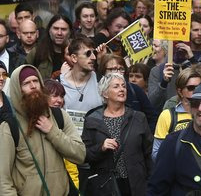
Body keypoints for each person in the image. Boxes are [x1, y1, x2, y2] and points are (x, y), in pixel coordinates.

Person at [0, 65, 86, 195]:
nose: (33, 86)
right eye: (26, 83)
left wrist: (52, 131)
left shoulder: (60, 117)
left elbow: (80, 154)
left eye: (35, 81)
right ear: (18, 90)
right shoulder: (9, 126)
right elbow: (3, 179)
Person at [82, 73, 153, 196]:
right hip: (105, 186)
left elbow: (148, 153)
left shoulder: (138, 117)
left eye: (123, 86)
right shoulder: (92, 120)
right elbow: (84, 154)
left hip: (136, 185)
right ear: (105, 93)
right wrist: (101, 147)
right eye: (116, 86)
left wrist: (151, 183)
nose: (121, 89)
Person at [152, 68, 201, 160]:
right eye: (191, 88)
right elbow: (156, 154)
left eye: (199, 87)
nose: (196, 91)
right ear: (180, 91)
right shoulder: (167, 116)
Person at [98, 54, 157, 131]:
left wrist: (144, 137)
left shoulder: (135, 90)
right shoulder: (96, 90)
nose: (118, 72)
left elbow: (152, 117)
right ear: (104, 71)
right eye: (114, 69)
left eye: (121, 69)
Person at [60, 35, 103, 112]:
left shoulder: (101, 81)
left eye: (94, 53)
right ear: (74, 58)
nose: (93, 57)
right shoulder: (59, 83)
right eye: (88, 53)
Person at [27, 14, 73, 79]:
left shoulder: (76, 51)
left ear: (70, 32)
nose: (59, 33)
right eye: (56, 28)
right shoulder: (37, 52)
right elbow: (25, 76)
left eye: (63, 29)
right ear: (49, 30)